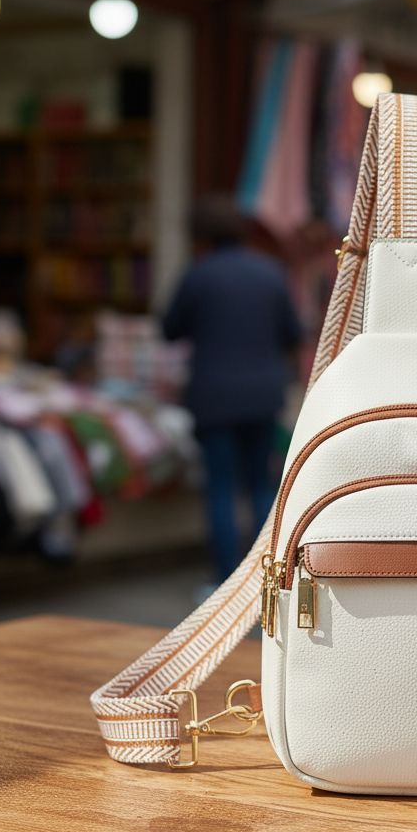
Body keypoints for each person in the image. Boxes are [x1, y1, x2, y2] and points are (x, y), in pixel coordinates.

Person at [163, 195, 302, 584]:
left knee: (220, 488)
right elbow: (292, 332)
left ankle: (226, 580)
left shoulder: (199, 274)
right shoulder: (270, 273)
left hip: (215, 396)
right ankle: (262, 579)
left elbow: (169, 329)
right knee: (260, 485)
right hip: (263, 394)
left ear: (200, 235)